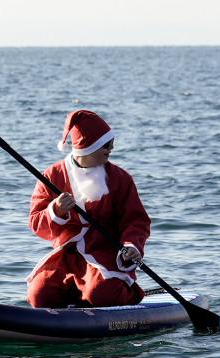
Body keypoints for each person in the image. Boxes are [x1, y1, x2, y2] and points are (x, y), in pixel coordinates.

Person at [26, 109, 151, 308]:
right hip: (65, 257)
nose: (111, 148)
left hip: (105, 254)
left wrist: (131, 246)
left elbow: (136, 221)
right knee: (39, 295)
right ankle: (75, 297)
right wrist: (56, 211)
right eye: (105, 145)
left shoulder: (120, 179)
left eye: (111, 143)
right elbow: (35, 223)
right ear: (87, 147)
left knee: (101, 294)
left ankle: (130, 294)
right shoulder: (52, 176)